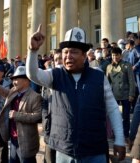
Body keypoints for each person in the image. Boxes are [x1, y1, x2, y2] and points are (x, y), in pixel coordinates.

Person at [26, 25, 126, 162]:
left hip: (95, 150)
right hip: (65, 151)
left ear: (84, 55)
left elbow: (113, 109)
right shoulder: (56, 75)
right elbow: (34, 75)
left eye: (74, 52)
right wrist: (33, 50)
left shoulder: (98, 76)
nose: (68, 56)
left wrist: (119, 140)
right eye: (65, 52)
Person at [0, 66, 42, 163]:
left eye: (17, 79)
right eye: (13, 79)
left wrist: (17, 115)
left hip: (26, 141)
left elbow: (38, 117)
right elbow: (0, 90)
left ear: (26, 80)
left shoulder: (35, 96)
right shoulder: (14, 91)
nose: (14, 82)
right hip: (13, 139)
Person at [106, 47, 135, 142]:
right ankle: (114, 134)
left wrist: (131, 94)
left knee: (125, 117)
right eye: (113, 55)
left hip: (125, 95)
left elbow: (131, 81)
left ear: (120, 55)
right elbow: (107, 83)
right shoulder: (109, 67)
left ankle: (126, 135)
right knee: (114, 116)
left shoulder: (127, 65)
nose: (115, 57)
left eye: (117, 55)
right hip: (114, 96)